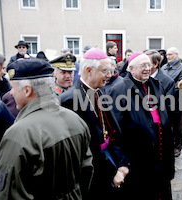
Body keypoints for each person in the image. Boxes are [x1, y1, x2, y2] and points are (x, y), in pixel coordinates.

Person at [0, 59, 93, 199]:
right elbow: (86, 172)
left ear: (27, 90)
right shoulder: (76, 120)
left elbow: (7, 193)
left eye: (13, 88)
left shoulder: (18, 134)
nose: (11, 93)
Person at [60, 47, 129, 200]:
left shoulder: (99, 91)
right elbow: (86, 147)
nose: (109, 75)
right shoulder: (69, 100)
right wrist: (113, 172)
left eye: (110, 70)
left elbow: (112, 131)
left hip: (109, 159)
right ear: (89, 70)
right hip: (93, 170)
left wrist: (123, 163)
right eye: (105, 71)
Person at [109, 53, 175, 199]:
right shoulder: (120, 89)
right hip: (138, 158)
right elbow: (115, 129)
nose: (147, 69)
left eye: (149, 65)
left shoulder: (156, 84)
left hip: (161, 154)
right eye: (143, 66)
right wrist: (122, 162)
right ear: (131, 68)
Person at [161, 47, 182, 157]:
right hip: (165, 101)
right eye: (167, 55)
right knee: (167, 125)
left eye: (170, 55)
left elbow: (180, 85)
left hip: (177, 101)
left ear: (177, 54)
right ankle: (169, 145)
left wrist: (166, 89)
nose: (168, 57)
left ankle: (177, 147)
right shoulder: (164, 67)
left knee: (177, 126)